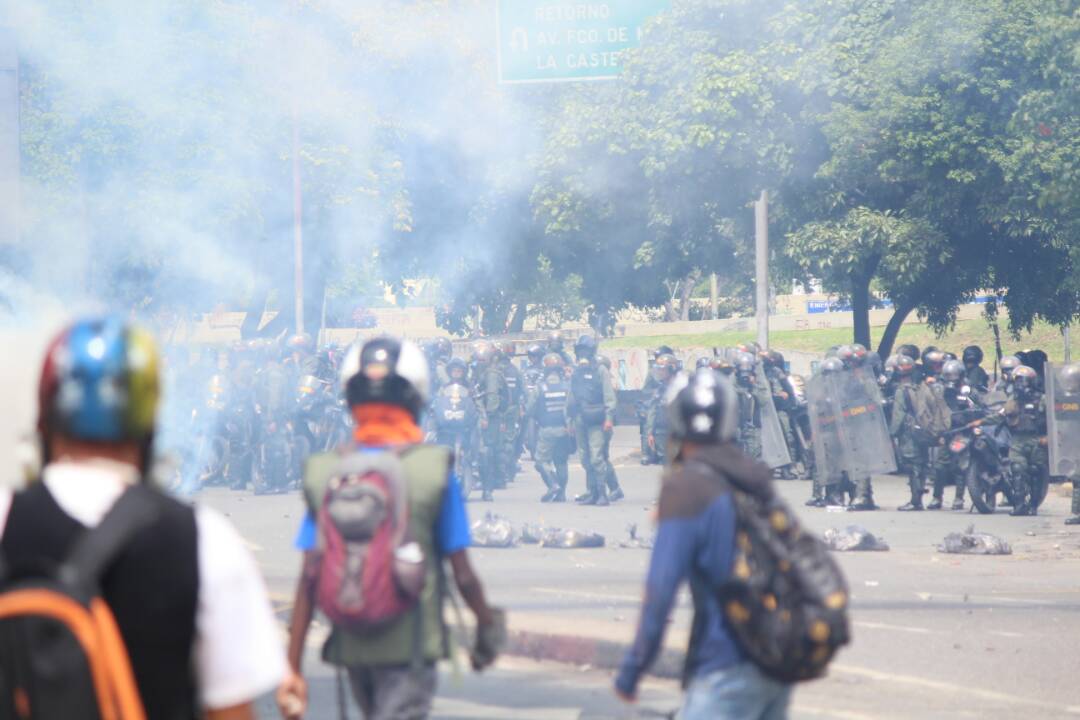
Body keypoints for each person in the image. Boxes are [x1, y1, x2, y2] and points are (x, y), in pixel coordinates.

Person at [1, 316, 285, 719]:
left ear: (45, 416)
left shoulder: (5, 519)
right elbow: (232, 711)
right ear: (148, 417)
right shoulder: (204, 539)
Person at [279, 336, 502, 720]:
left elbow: (309, 576)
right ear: (416, 397)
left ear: (351, 399)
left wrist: (292, 667)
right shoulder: (433, 469)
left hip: (352, 644)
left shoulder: (325, 472)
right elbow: (462, 574)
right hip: (411, 646)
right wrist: (486, 629)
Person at [615, 369, 792, 719]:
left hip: (727, 664)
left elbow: (661, 589)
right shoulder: (753, 478)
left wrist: (633, 669)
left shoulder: (687, 487)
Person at [566, 334, 618, 506]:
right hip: (580, 418)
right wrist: (569, 420)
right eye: (580, 350)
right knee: (585, 458)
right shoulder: (576, 371)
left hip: (597, 419)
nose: (582, 353)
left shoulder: (600, 370)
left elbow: (609, 397)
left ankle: (602, 493)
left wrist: (609, 418)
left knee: (597, 457)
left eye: (585, 350)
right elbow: (570, 396)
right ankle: (593, 492)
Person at [528, 353, 573, 502]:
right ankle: (562, 494)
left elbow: (529, 408)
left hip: (546, 430)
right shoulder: (567, 386)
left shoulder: (540, 388)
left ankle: (553, 484)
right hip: (564, 430)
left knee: (541, 460)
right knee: (561, 462)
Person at [892, 355, 932, 511]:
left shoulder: (901, 391)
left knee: (912, 465)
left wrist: (892, 432)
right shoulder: (920, 386)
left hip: (908, 432)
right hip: (922, 429)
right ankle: (919, 499)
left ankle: (915, 501)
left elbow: (898, 415)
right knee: (921, 463)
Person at [645, 353, 680, 466]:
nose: (659, 372)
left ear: (672, 369)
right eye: (658, 369)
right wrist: (650, 433)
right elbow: (652, 411)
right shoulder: (659, 390)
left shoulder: (682, 388)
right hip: (661, 433)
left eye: (662, 369)